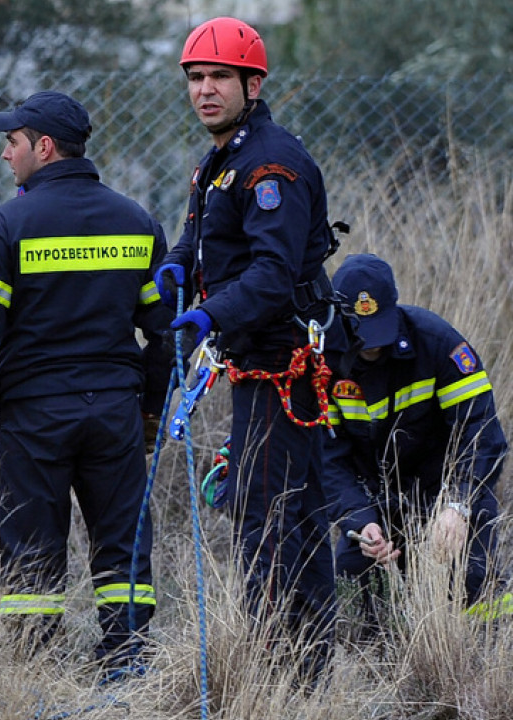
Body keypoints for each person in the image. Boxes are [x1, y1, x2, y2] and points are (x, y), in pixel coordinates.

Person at [0, 91, 172, 676]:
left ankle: (35, 665)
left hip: (36, 415)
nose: (6, 155)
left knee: (32, 541)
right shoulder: (137, 221)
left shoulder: (11, 223)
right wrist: (149, 410)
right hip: (115, 410)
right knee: (121, 540)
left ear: (43, 147)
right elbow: (165, 336)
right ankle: (126, 659)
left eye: (11, 143)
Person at [156, 17, 348, 678]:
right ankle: (308, 669)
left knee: (264, 512)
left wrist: (204, 317)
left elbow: (270, 273)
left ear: (252, 83)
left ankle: (274, 667)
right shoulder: (221, 157)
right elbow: (201, 241)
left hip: (283, 360)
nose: (205, 90)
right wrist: (177, 269)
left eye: (218, 78)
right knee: (286, 509)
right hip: (255, 359)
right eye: (195, 78)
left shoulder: (271, 163)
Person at [327, 253, 509, 621]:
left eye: (379, 332)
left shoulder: (438, 343)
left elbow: (483, 434)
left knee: (476, 583)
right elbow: (328, 459)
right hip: (375, 501)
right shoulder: (323, 363)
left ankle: (491, 641)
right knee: (355, 594)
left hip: (445, 492)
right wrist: (361, 523)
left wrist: (458, 505)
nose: (371, 348)